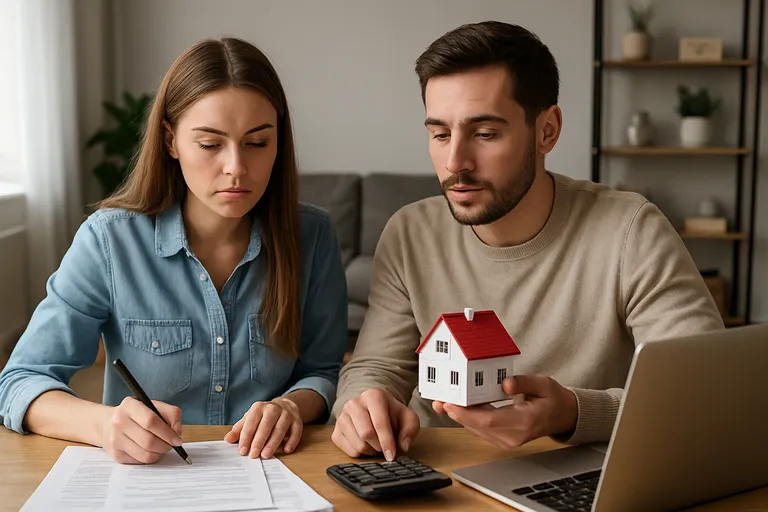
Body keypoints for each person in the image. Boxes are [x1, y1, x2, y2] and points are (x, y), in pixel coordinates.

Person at [331, 21, 723, 461]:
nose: (455, 161)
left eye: (484, 134)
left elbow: (702, 396)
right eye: (440, 134)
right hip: (433, 470)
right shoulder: (409, 232)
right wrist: (361, 406)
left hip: (576, 472)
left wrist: (574, 413)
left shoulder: (631, 230)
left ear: (547, 131)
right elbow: (378, 366)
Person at [0, 37, 348, 464]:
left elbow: (322, 371)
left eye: (258, 143)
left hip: (276, 476)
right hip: (152, 483)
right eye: (209, 144)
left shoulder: (312, 236)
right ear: (170, 141)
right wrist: (105, 425)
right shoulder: (109, 241)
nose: (236, 166)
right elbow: (21, 380)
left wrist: (291, 405)